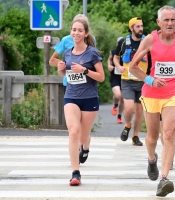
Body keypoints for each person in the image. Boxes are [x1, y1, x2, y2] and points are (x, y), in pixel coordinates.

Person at [129, 5, 175, 197]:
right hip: (151, 93)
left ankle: (164, 179)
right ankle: (151, 159)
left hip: (173, 91)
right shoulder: (150, 40)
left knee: (168, 134)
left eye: (173, 19)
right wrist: (150, 79)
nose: (170, 23)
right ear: (158, 22)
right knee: (151, 137)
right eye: (166, 20)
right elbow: (133, 67)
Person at [57, 19, 105, 186]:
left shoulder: (92, 53)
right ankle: (75, 173)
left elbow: (101, 77)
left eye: (79, 30)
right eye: (73, 30)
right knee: (73, 132)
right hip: (71, 96)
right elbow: (66, 76)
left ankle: (86, 146)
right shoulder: (67, 53)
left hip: (89, 98)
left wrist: (84, 70)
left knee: (83, 137)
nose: (76, 33)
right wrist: (62, 70)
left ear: (85, 34)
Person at [113, 17, 148, 146]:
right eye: (137, 26)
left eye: (141, 26)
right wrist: (118, 66)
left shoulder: (147, 41)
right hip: (127, 80)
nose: (141, 29)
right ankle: (127, 125)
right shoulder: (123, 42)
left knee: (139, 111)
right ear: (131, 28)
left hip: (142, 81)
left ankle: (135, 136)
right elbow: (116, 58)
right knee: (128, 108)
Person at [50, 14, 92, 88]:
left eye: (83, 25)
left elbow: (94, 61)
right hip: (70, 84)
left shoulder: (92, 40)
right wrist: (66, 65)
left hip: (88, 84)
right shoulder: (66, 40)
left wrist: (83, 69)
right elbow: (52, 60)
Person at [107, 37, 124, 124]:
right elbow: (109, 60)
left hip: (125, 78)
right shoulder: (113, 52)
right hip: (115, 77)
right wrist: (109, 66)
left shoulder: (127, 52)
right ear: (117, 44)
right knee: (118, 95)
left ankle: (119, 116)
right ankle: (115, 104)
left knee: (123, 99)